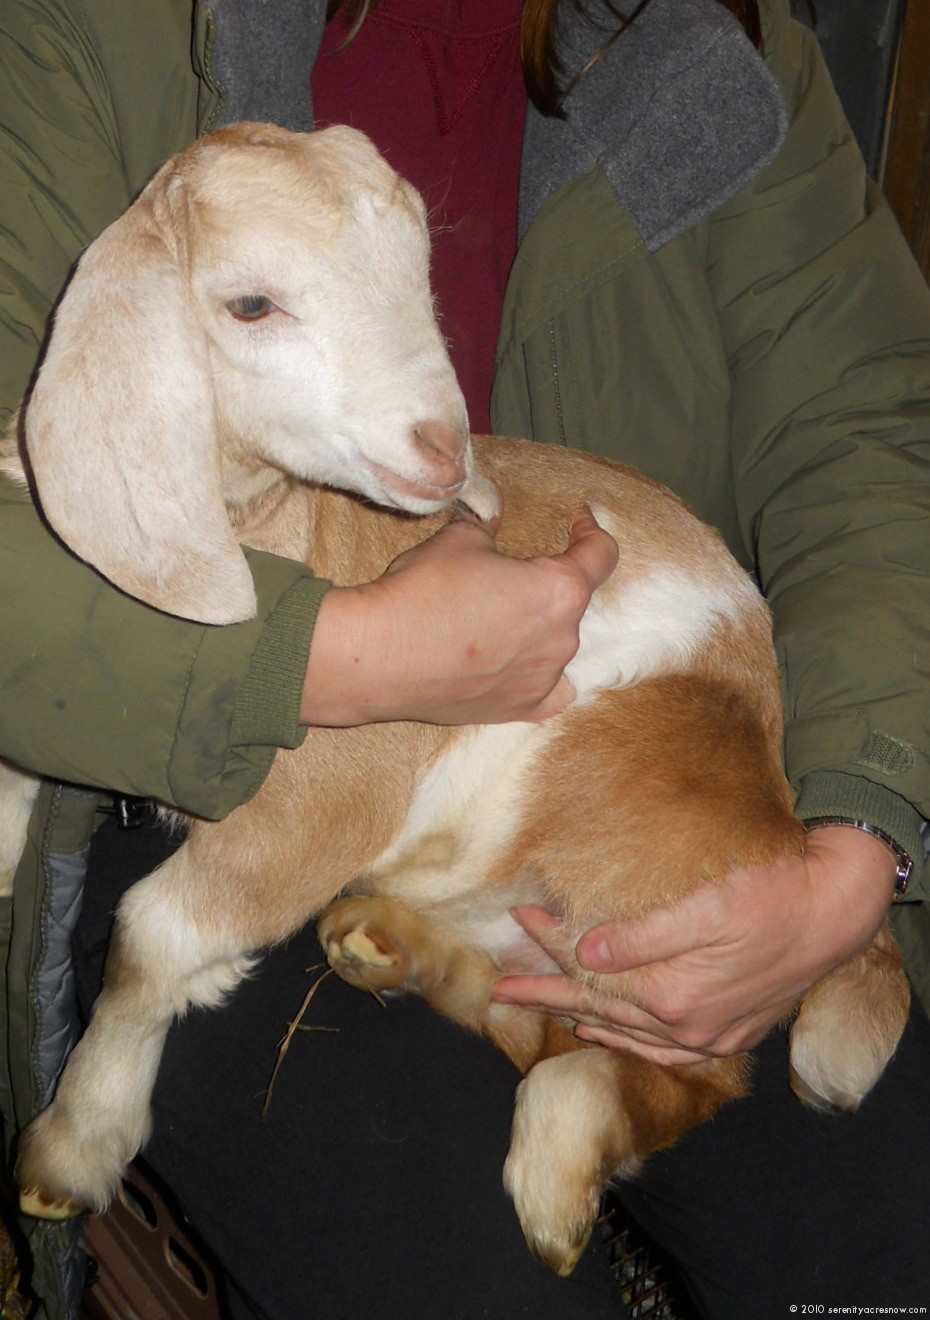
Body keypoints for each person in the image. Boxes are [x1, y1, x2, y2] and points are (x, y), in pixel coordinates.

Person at [1, 1, 930, 1318]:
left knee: (879, 1250)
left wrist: (858, 850)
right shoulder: (87, 31)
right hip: (180, 765)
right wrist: (343, 658)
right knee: (456, 1279)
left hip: (615, 742)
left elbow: (870, 440)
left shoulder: (706, 44)